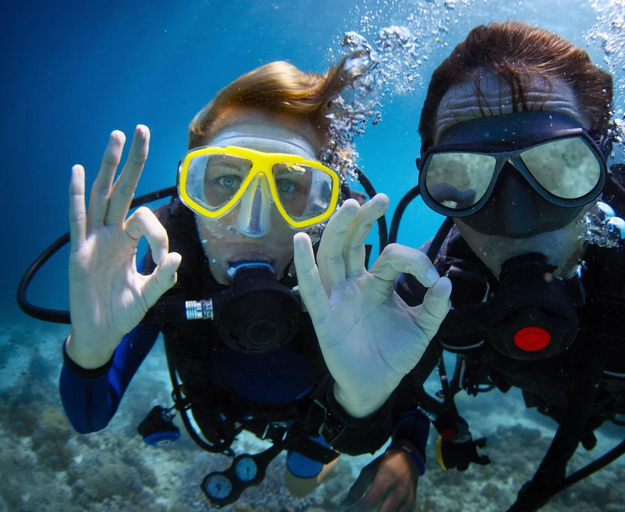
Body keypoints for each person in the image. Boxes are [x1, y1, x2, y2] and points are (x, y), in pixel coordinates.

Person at [388, 21, 625, 511]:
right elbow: (385, 389)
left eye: (560, 166)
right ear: (431, 180)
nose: (516, 221)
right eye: (462, 176)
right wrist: (404, 444)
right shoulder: (430, 288)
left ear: (601, 166)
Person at [59, 58, 451, 507]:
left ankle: (310, 463)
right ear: (192, 191)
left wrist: (363, 405)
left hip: (315, 420)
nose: (252, 225)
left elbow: (401, 403)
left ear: (327, 207)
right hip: (220, 412)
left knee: (299, 481)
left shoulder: (347, 271)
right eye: (226, 179)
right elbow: (89, 416)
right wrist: (90, 348)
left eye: (288, 188)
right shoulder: (167, 262)